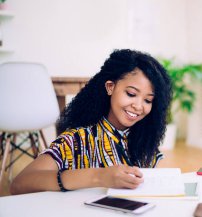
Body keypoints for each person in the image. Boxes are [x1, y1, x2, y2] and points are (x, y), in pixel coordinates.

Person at [10, 49, 172, 195]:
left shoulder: (145, 143)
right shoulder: (77, 140)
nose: (138, 106)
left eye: (148, 100)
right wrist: (98, 176)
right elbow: (19, 184)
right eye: (130, 94)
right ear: (110, 87)